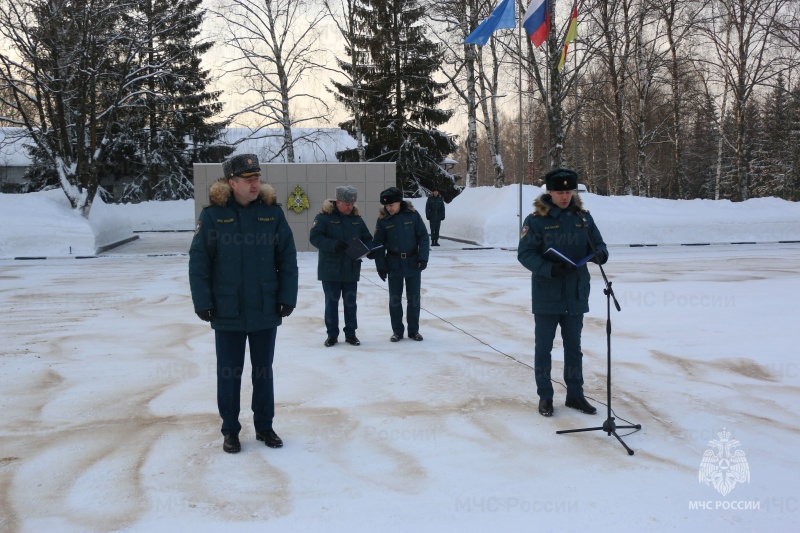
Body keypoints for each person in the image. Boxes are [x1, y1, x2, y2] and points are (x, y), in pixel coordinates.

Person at [189, 153, 298, 454]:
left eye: (257, 179)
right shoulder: (213, 216)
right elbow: (199, 263)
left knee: (263, 370)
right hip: (227, 308)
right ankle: (230, 430)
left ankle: (265, 426)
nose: (255, 184)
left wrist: (287, 296)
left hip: (265, 306)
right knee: (229, 372)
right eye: (248, 180)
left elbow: (287, 257)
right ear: (231, 182)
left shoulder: (271, 214)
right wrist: (203, 301)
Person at [517, 168, 608, 418]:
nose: (565, 196)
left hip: (576, 292)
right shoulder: (536, 219)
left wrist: (601, 254)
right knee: (543, 348)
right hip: (547, 292)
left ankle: (575, 395)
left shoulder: (583, 217)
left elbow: (599, 243)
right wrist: (549, 268)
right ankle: (545, 397)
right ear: (550, 192)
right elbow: (525, 254)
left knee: (573, 348)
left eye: (569, 191)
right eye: (560, 192)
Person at [309, 185, 374, 347]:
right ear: (338, 202)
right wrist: (333, 245)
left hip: (351, 268)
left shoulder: (356, 219)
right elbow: (315, 237)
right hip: (330, 269)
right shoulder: (324, 218)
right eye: (347, 204)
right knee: (331, 303)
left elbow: (367, 238)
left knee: (350, 303)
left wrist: (370, 250)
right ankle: (332, 335)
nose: (350, 207)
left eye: (352, 204)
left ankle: (351, 334)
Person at [372, 187, 431, 342]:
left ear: (399, 202)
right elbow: (378, 244)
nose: (388, 208)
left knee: (414, 299)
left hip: (412, 262)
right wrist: (381, 266)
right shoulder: (383, 220)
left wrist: (423, 258)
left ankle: (413, 331)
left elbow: (423, 237)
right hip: (393, 263)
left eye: (391, 205)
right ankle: (397, 331)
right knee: (395, 300)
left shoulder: (412, 215)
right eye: (386, 206)